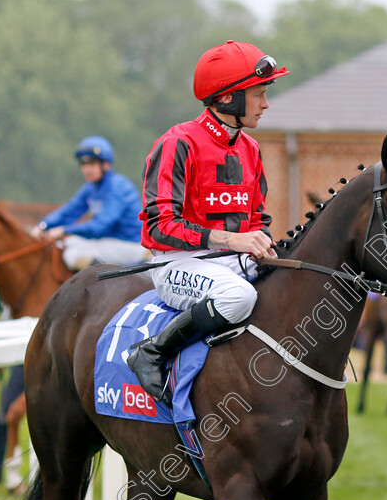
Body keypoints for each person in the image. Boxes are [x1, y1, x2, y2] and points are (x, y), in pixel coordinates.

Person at [127, 40, 288, 405]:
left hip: (233, 261)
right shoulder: (178, 143)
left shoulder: (250, 148)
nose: (265, 104)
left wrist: (264, 241)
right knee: (240, 296)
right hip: (177, 264)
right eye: (259, 94)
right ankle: (152, 351)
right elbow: (158, 227)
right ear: (229, 98)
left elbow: (258, 218)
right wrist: (234, 241)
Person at [31, 136, 146, 270]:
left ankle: (105, 288)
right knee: (66, 244)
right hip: (108, 241)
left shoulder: (118, 186)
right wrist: (43, 225)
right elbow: (70, 210)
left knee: (72, 254)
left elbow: (100, 226)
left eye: (91, 164)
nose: (86, 170)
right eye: (83, 165)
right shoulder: (91, 187)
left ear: (106, 165)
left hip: (131, 245)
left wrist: (64, 230)